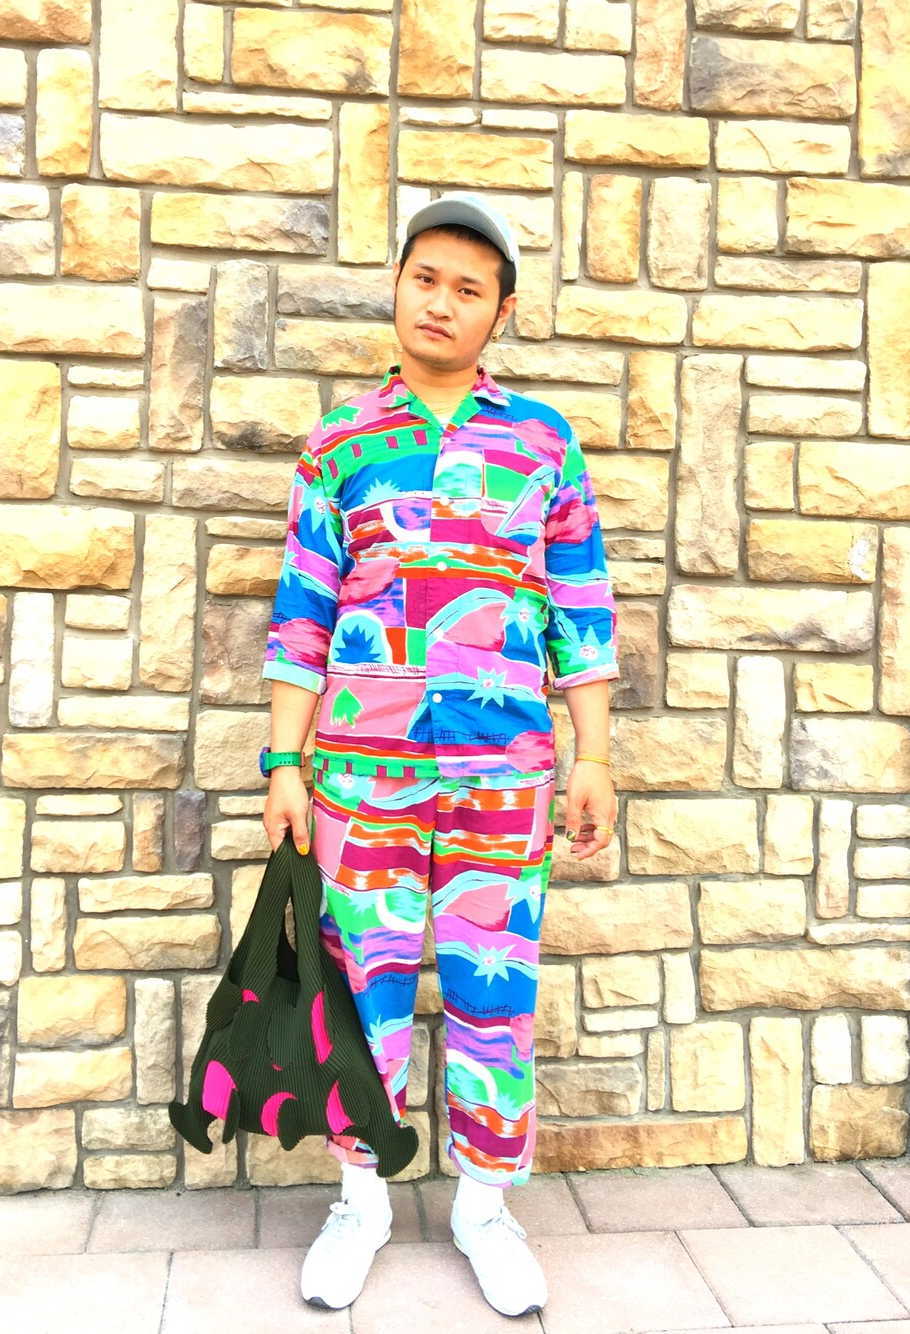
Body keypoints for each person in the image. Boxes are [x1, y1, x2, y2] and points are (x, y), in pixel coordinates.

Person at [261, 192, 618, 1317]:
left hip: (503, 775)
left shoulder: (543, 443)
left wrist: (593, 755)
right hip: (359, 776)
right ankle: (360, 1200)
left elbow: (582, 606)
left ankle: (483, 1207)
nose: (441, 302)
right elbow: (302, 610)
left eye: (469, 289)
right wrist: (282, 764)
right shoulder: (341, 443)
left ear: (499, 314)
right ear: (398, 284)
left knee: (490, 996)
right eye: (426, 278)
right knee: (358, 988)